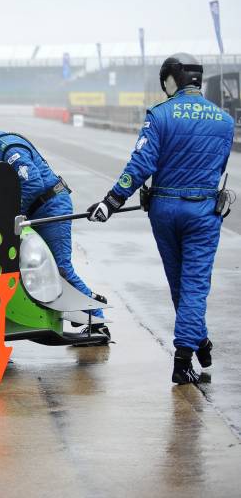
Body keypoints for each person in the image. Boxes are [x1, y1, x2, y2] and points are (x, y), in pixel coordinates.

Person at [86, 53, 234, 384]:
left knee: (180, 284)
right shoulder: (224, 121)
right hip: (203, 210)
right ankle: (187, 357)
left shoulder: (159, 115)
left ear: (170, 81)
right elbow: (219, 166)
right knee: (195, 285)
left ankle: (196, 348)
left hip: (164, 209)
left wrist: (111, 202)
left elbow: (140, 164)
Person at [0, 105, 109, 343]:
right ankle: (86, 300)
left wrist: (8, 215)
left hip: (52, 205)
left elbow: (32, 183)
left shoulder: (9, 147)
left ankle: (98, 321)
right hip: (33, 211)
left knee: (61, 269)